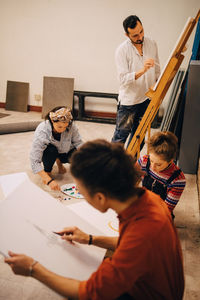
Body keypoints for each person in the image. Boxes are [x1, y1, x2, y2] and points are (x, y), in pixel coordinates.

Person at [5, 139, 184, 300]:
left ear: (100, 197)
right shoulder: (148, 199)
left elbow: (87, 293)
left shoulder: (142, 234)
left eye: (81, 192)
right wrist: (90, 239)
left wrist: (33, 269)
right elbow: (129, 242)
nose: (80, 194)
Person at [112, 15, 160, 147]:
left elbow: (157, 70)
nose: (140, 37)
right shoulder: (122, 50)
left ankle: (130, 165)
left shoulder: (152, 43)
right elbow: (123, 79)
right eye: (134, 35)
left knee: (139, 136)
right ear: (126, 35)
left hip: (146, 99)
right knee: (120, 137)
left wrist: (157, 88)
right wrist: (142, 70)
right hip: (129, 101)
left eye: (141, 32)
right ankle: (111, 166)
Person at [30, 106, 82, 191]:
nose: (63, 130)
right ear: (52, 121)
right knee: (51, 151)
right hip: (51, 152)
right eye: (59, 127)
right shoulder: (42, 130)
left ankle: (59, 161)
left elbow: (79, 143)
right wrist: (49, 180)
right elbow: (34, 160)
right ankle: (48, 171)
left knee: (79, 155)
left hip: (66, 151)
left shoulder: (72, 126)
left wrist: (88, 157)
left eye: (65, 127)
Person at [138, 131, 186, 218]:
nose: (152, 167)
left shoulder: (177, 179)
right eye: (151, 160)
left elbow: (166, 209)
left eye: (158, 164)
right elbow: (128, 178)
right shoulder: (144, 161)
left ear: (171, 160)